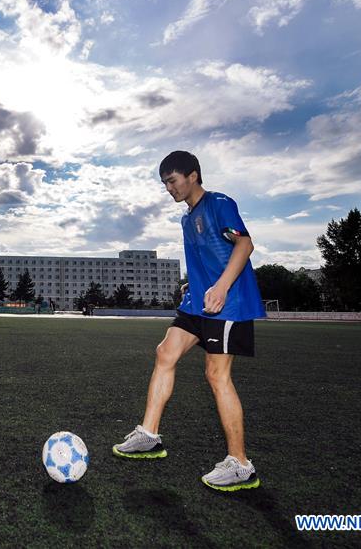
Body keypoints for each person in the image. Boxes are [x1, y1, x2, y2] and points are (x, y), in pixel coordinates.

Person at [112, 150, 265, 492]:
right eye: (165, 183)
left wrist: (222, 286)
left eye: (172, 181)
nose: (169, 189)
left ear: (193, 175)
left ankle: (240, 465)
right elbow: (204, 259)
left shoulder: (220, 203)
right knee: (165, 353)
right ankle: (149, 435)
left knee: (216, 374)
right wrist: (193, 285)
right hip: (198, 302)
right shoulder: (186, 219)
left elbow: (245, 244)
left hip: (229, 303)